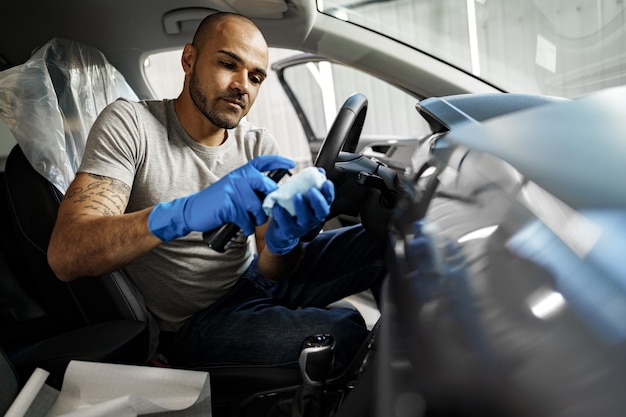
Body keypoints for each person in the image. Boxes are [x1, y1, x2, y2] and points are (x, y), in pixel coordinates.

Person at [47, 12, 386, 374]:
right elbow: (67, 254)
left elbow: (272, 270)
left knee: (391, 238)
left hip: (251, 279)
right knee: (346, 334)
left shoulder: (257, 144)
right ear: (189, 60)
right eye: (228, 64)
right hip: (193, 323)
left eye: (256, 77)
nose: (243, 85)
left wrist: (286, 240)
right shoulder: (131, 126)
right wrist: (180, 214)